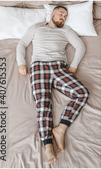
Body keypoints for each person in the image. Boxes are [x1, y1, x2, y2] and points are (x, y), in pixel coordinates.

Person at [16, 6, 88, 164]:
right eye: (61, 14)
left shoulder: (66, 30)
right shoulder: (37, 27)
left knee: (82, 93)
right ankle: (48, 145)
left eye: (65, 16)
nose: (63, 17)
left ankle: (61, 128)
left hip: (58, 67)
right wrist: (22, 63)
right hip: (39, 66)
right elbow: (22, 44)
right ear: (52, 14)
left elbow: (80, 46)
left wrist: (74, 66)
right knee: (43, 104)